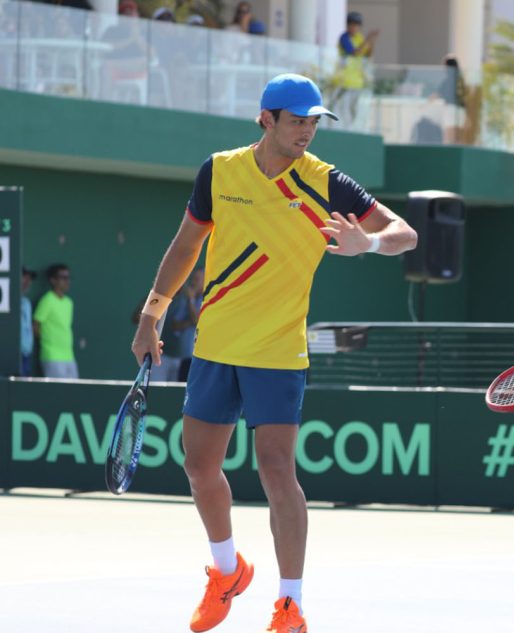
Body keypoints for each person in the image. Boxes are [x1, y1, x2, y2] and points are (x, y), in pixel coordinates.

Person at [129, 73, 417, 632]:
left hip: (279, 351)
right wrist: (150, 315)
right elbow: (186, 245)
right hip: (217, 344)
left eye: (314, 122)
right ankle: (227, 571)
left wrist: (369, 242)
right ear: (267, 119)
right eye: (297, 121)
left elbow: (405, 233)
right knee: (198, 466)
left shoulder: (328, 183)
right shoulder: (219, 171)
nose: (307, 131)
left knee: (277, 470)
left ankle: (290, 605)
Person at [153, 268, 203, 382]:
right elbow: (175, 325)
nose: (193, 282)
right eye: (192, 278)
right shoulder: (184, 298)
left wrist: (191, 303)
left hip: (195, 359)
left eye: (197, 279)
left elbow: (197, 320)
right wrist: (191, 321)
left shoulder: (206, 298)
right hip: (175, 356)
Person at [328, 11, 378, 126]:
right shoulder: (344, 37)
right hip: (343, 80)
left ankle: (351, 128)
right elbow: (354, 53)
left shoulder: (360, 38)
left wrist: (372, 42)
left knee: (353, 110)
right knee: (340, 109)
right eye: (351, 24)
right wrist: (367, 40)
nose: (354, 27)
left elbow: (368, 55)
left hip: (357, 81)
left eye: (356, 25)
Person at [34, 263, 78, 379]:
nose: (67, 281)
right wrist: (48, 341)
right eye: (63, 277)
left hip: (69, 355)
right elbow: (36, 325)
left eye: (68, 277)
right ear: (53, 280)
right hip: (51, 355)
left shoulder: (69, 302)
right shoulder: (47, 300)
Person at [20, 267, 36, 377]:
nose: (27, 281)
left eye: (29, 279)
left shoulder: (26, 303)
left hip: (26, 355)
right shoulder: (4, 302)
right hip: (8, 355)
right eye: (24, 277)